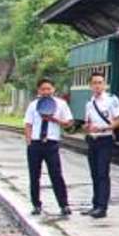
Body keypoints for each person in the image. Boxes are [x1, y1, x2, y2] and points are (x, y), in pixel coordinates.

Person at [23, 78, 73, 216]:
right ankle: (36, 205)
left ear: (53, 89)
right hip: (35, 143)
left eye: (48, 89)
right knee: (34, 176)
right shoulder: (33, 105)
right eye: (43, 89)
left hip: (51, 143)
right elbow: (28, 124)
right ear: (39, 90)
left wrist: (55, 120)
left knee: (56, 175)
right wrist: (29, 142)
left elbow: (69, 123)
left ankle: (64, 205)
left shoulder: (61, 104)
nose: (46, 91)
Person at [83, 72, 119, 219]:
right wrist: (87, 127)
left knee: (102, 173)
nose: (98, 85)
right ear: (91, 85)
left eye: (100, 82)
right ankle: (95, 205)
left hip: (105, 139)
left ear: (104, 84)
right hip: (92, 140)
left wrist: (104, 128)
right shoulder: (89, 103)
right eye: (95, 83)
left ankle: (102, 207)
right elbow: (88, 122)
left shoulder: (112, 100)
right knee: (94, 173)